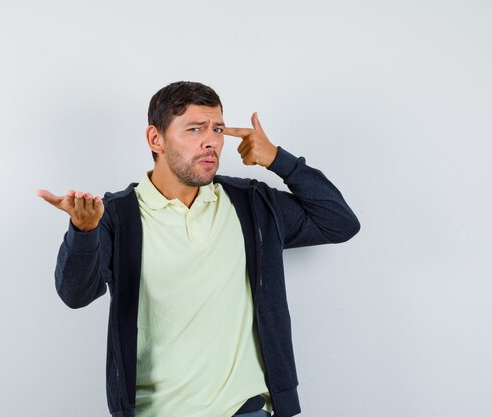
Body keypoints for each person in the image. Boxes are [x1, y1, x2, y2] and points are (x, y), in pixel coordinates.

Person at [37, 81, 360, 417]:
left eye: (217, 128)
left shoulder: (252, 204)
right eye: (195, 129)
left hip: (245, 410)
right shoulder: (116, 215)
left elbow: (339, 222)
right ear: (155, 139)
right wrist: (84, 231)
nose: (211, 141)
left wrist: (279, 160)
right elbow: (75, 294)